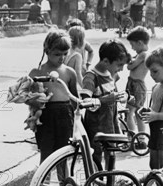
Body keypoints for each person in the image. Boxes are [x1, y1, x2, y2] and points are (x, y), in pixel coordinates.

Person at [28, 30, 79, 162]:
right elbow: (26, 96)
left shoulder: (69, 72)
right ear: (47, 51)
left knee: (64, 154)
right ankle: (43, 181)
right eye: (57, 54)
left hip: (65, 116)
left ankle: (65, 181)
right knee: (46, 154)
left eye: (65, 54)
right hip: (46, 116)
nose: (61, 58)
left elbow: (75, 99)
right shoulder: (37, 72)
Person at [80, 40, 129, 171]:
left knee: (111, 154)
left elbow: (114, 92)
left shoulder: (110, 74)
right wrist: (103, 100)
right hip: (96, 125)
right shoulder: (91, 77)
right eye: (119, 65)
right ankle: (94, 182)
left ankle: (110, 184)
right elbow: (85, 102)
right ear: (106, 61)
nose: (121, 69)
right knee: (95, 156)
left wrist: (123, 97)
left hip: (110, 123)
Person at [125, 27, 150, 139]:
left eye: (133, 44)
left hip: (137, 85)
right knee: (136, 112)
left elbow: (130, 66)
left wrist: (129, 60)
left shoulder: (143, 54)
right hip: (134, 84)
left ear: (140, 43)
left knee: (131, 112)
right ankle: (140, 138)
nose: (132, 48)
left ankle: (134, 137)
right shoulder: (142, 54)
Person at [65, 26, 86, 90]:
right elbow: (78, 75)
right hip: (70, 86)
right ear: (81, 40)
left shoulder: (65, 52)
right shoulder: (77, 56)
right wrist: (85, 89)